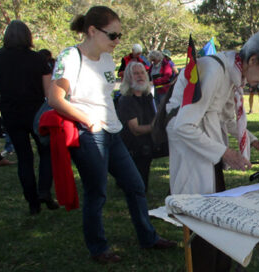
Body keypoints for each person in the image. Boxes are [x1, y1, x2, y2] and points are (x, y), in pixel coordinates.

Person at [48, 6, 175, 264]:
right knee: (98, 192)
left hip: (112, 131)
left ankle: (148, 238)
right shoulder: (71, 57)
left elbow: (106, 96)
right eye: (113, 35)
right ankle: (98, 248)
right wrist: (88, 120)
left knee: (135, 185)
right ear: (92, 31)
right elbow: (54, 98)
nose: (118, 41)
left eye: (120, 35)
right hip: (88, 133)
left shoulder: (107, 58)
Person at [166, 28, 259, 271]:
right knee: (201, 221)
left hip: (208, 149)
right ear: (253, 59)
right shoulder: (214, 70)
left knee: (215, 215)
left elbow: (226, 118)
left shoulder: (231, 72)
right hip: (194, 152)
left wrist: (252, 140)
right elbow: (183, 125)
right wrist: (224, 153)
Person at [0, 22, 57, 215]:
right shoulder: (38, 59)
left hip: (11, 112)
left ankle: (32, 202)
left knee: (24, 158)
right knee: (46, 152)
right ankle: (44, 191)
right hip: (35, 112)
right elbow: (47, 92)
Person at [116, 62, 155, 192]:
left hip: (147, 144)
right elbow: (135, 130)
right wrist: (157, 127)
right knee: (138, 188)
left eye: (142, 73)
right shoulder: (126, 99)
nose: (140, 76)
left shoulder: (147, 96)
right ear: (128, 77)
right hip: (133, 147)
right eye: (136, 73)